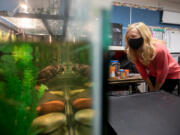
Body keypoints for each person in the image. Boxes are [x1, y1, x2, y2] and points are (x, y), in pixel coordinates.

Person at [124, 22, 180, 93]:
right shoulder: (134, 50)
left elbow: (162, 72)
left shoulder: (159, 49)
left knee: (161, 98)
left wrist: (155, 90)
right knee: (152, 95)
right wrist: (151, 86)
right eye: (128, 37)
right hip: (154, 73)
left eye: (133, 36)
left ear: (144, 36)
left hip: (170, 74)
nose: (130, 40)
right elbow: (141, 69)